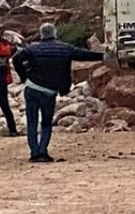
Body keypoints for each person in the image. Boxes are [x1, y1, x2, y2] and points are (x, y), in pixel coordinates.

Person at [12, 22, 102, 163]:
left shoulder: (33, 48)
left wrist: (24, 76)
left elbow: (16, 58)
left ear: (41, 34)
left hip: (31, 88)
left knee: (32, 122)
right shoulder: (65, 48)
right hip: (49, 92)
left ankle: (34, 153)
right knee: (46, 123)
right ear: (54, 33)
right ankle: (43, 152)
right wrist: (104, 56)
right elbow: (84, 55)